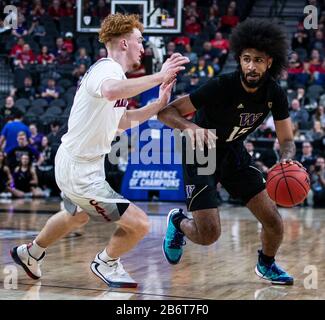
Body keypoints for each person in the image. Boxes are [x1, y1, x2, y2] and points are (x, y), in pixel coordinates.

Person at [10, 13, 189, 288]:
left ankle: (30, 253)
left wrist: (157, 104)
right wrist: (159, 76)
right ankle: (105, 261)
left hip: (81, 163)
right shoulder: (107, 71)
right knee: (140, 224)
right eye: (140, 41)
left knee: (77, 216)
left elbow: (122, 123)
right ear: (125, 42)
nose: (144, 47)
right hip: (80, 169)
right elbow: (110, 91)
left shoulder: (115, 76)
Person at [158, 18, 300, 285]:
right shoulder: (222, 86)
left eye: (258, 60)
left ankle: (266, 265)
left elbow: (287, 139)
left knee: (273, 221)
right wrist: (190, 126)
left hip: (233, 151)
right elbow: (166, 112)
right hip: (201, 152)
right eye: (246, 59)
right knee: (209, 234)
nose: (251, 65)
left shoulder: (274, 93)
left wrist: (287, 158)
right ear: (239, 59)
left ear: (269, 62)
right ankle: (178, 222)